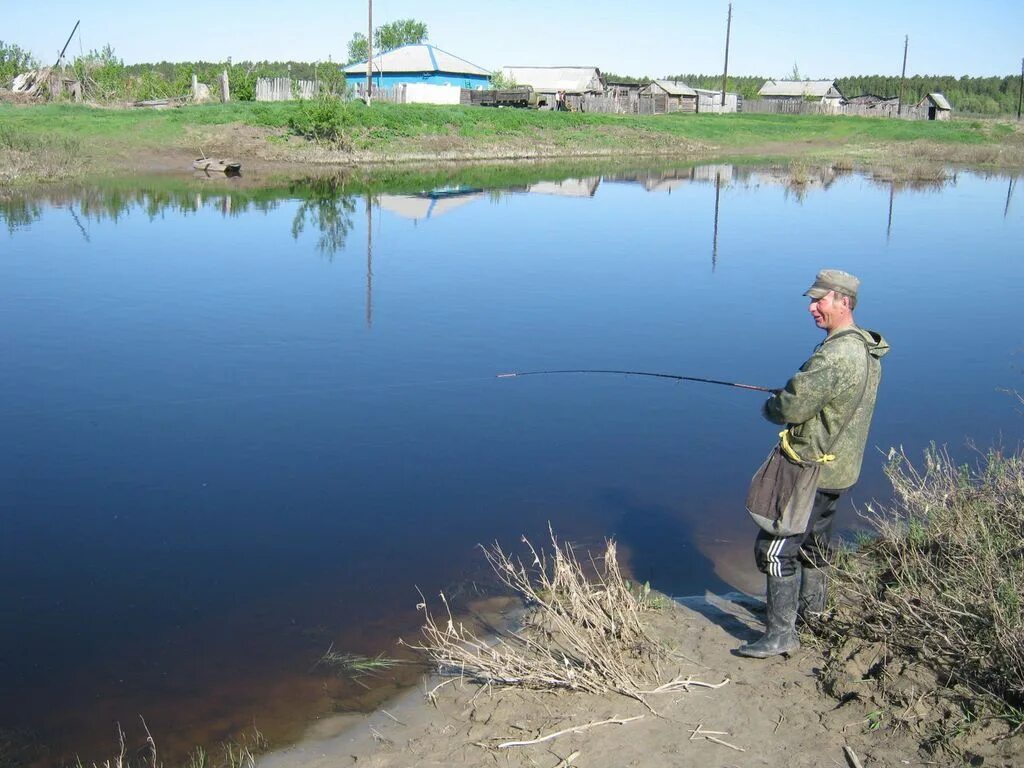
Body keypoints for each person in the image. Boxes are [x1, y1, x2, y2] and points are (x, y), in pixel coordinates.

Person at [737, 269, 890, 658]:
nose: (812, 308)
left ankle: (781, 633)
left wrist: (773, 404)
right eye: (813, 300)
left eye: (819, 300)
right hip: (841, 470)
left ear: (843, 301)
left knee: (775, 548)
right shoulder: (866, 349)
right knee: (816, 543)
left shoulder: (835, 354)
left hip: (813, 470)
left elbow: (791, 406)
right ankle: (813, 614)